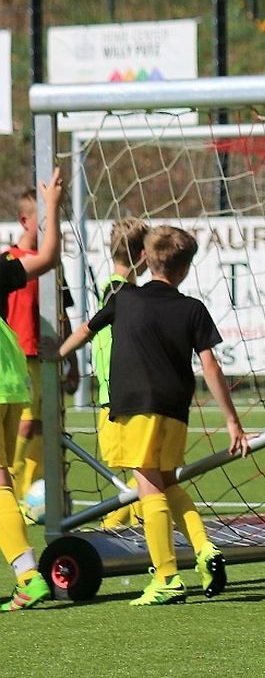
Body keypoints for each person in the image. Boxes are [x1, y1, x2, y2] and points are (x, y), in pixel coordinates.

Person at [60, 225, 247, 605]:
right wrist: (232, 420)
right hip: (176, 409)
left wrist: (57, 355)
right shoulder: (193, 308)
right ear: (185, 268)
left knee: (148, 488)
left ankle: (166, 578)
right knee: (167, 482)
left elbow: (86, 330)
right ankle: (204, 547)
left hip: (136, 405)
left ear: (146, 258)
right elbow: (210, 366)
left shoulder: (125, 298)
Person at [0, 169, 62, 611]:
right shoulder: (1, 266)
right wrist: (52, 206)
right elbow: (49, 257)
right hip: (11, 377)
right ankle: (26, 575)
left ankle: (27, 574)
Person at [6, 188, 79, 507]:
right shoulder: (9, 262)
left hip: (46, 358)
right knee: (24, 424)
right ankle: (10, 484)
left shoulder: (53, 269)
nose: (50, 227)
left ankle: (33, 495)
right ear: (25, 221)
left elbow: (63, 316)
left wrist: (72, 361)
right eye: (44, 221)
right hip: (15, 360)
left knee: (44, 426)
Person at [95, 218, 150, 529]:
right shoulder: (119, 292)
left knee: (146, 468)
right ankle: (113, 526)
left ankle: (123, 524)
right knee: (146, 470)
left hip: (120, 393)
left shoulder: (118, 289)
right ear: (143, 255)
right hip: (119, 395)